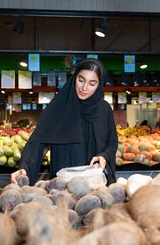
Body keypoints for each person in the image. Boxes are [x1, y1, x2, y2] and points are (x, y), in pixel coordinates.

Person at [10, 58, 118, 186]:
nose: (84, 88)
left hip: (93, 182)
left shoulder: (104, 110)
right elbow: (37, 142)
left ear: (99, 85)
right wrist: (24, 168)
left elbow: (112, 142)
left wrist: (104, 156)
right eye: (81, 80)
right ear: (74, 78)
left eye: (92, 83)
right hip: (63, 183)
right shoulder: (58, 107)